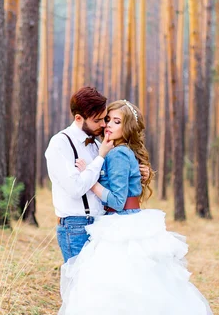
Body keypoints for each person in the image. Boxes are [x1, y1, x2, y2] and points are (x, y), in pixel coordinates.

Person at [59, 100, 213, 315]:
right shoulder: (115, 149)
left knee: (120, 286)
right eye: (107, 120)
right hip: (124, 221)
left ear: (128, 126)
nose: (109, 125)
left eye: (116, 121)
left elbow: (117, 201)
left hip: (121, 224)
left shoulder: (118, 154)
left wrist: (90, 181)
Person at [45, 87, 149, 263]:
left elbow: (110, 179)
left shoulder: (98, 143)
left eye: (105, 119)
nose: (103, 125)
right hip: (76, 226)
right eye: (99, 120)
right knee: (78, 285)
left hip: (101, 224)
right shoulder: (60, 144)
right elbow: (76, 188)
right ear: (79, 118)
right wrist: (100, 158)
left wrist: (135, 173)